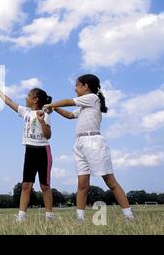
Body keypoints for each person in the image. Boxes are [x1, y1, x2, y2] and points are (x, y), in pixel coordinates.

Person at [43, 74, 134, 221]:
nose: (75, 88)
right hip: (80, 143)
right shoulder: (84, 104)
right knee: (82, 184)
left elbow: (68, 102)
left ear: (85, 86)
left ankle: (129, 216)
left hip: (94, 142)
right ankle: (80, 218)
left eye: (77, 85)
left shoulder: (92, 98)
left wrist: (51, 105)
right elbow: (70, 115)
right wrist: (54, 107)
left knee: (110, 181)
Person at [0, 84, 54, 222]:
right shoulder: (25, 111)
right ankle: (21, 217)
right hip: (30, 151)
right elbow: (9, 102)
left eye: (28, 96)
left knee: (45, 186)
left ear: (35, 99)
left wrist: (41, 121)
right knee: (26, 185)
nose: (25, 98)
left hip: (43, 151)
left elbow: (48, 135)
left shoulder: (45, 115)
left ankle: (50, 217)